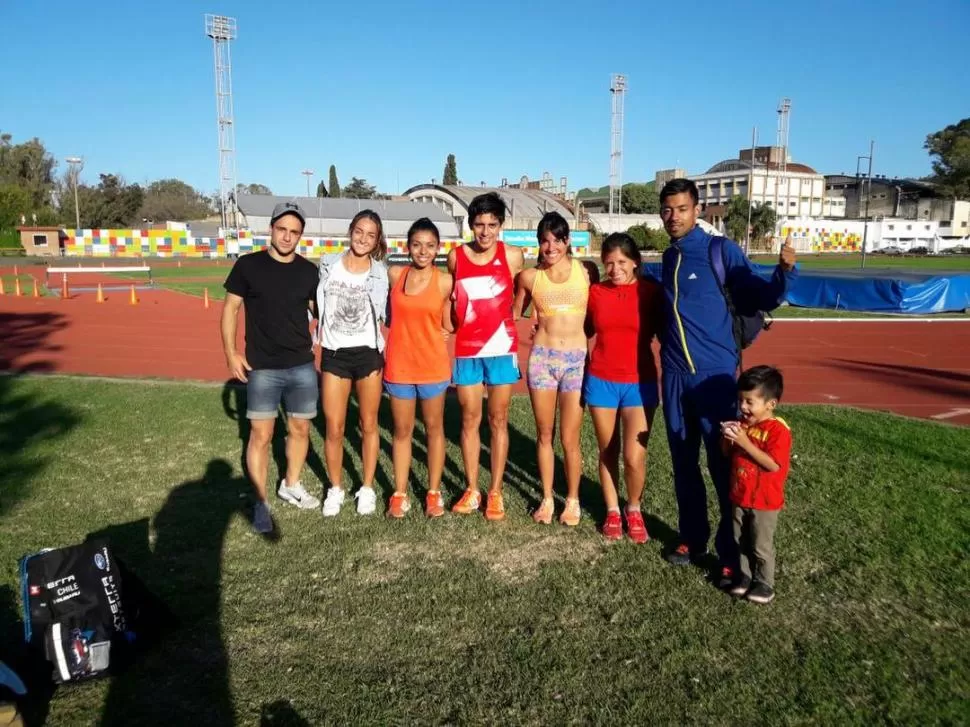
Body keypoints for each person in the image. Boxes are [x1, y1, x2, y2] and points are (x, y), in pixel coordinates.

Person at [657, 178, 796, 590]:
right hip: (675, 377)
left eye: (682, 209)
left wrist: (785, 271)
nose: (673, 217)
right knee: (683, 464)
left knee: (723, 467)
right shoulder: (669, 256)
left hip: (715, 377)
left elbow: (763, 296)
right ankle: (693, 537)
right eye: (667, 209)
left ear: (697, 210)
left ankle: (730, 554)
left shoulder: (720, 250)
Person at [221, 201, 320, 533]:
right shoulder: (248, 266)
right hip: (262, 366)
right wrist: (231, 353)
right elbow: (231, 309)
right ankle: (261, 502)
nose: (287, 237)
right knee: (261, 435)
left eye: (294, 232)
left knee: (300, 429)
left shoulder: (308, 271)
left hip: (301, 364)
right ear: (271, 229)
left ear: (300, 236)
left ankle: (291, 483)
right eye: (282, 229)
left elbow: (318, 310)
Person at [514, 212, 596, 526]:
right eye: (545, 241)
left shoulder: (585, 272)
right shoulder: (529, 277)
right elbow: (513, 312)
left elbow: (596, 316)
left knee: (569, 437)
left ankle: (572, 499)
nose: (551, 247)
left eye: (557, 240)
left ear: (567, 241)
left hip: (576, 362)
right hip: (542, 362)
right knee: (544, 434)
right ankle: (547, 498)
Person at [448, 192, 525, 521]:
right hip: (467, 349)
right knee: (469, 418)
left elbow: (523, 292)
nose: (485, 232)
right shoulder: (456, 257)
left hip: (501, 349)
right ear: (471, 225)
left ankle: (495, 491)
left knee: (498, 419)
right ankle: (472, 488)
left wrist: (518, 315)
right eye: (479, 224)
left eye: (492, 225)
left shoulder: (513, 256)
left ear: (500, 225)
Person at [583, 233, 662, 542]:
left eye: (621, 262)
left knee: (633, 456)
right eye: (609, 263)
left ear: (635, 262)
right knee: (608, 450)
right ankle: (613, 511)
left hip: (639, 384)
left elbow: (668, 332)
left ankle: (634, 508)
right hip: (601, 381)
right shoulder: (596, 293)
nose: (615, 269)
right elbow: (584, 329)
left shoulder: (651, 293)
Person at [316, 210, 390, 517]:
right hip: (335, 354)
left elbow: (389, 312)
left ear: (377, 240)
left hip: (368, 354)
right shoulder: (327, 264)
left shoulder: (381, 273)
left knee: (368, 424)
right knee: (334, 427)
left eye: (370, 235)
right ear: (350, 231)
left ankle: (367, 488)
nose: (363, 239)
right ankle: (335, 488)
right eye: (359, 231)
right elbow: (313, 303)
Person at [383, 218, 453, 518]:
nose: (423, 251)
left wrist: (448, 327)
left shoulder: (445, 281)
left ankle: (433, 492)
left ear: (438, 248)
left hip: (432, 366)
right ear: (408, 246)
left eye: (430, 245)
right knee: (402, 431)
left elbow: (450, 319)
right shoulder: (395, 274)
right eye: (417, 245)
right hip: (399, 366)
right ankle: (399, 493)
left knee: (434, 429)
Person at [721, 366, 792, 604]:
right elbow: (726, 453)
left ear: (771, 404)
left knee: (761, 544)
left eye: (750, 402)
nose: (743, 407)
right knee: (739, 539)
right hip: (740, 494)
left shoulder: (778, 431)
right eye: (741, 400)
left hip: (765, 501)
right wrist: (728, 438)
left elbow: (773, 465)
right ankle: (744, 576)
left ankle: (764, 583)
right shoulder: (744, 424)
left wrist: (745, 442)